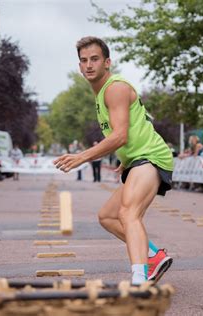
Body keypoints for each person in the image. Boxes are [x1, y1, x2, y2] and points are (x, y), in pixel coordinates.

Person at [53, 36, 173, 285]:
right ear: (79, 66)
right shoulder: (101, 95)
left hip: (151, 157)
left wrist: (81, 157)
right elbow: (137, 125)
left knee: (129, 213)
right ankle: (153, 255)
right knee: (107, 216)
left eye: (94, 59)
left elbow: (120, 135)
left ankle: (139, 280)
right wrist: (125, 158)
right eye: (84, 60)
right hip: (137, 159)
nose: (89, 65)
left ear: (107, 62)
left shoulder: (115, 88)